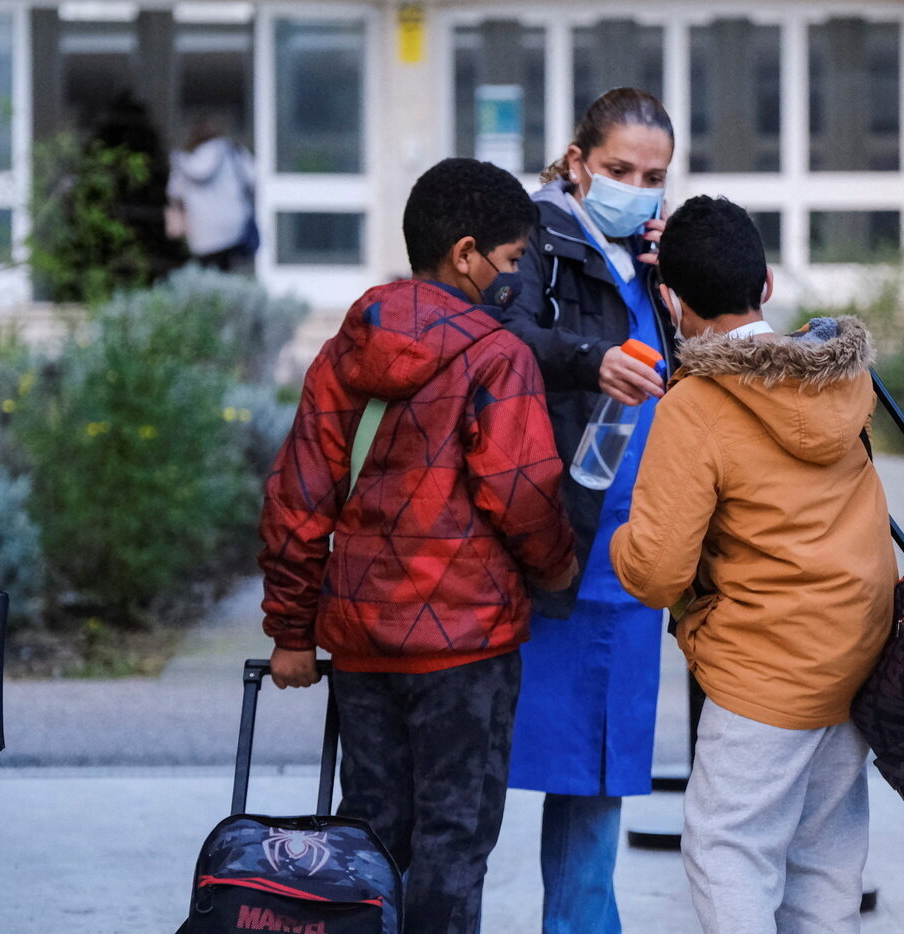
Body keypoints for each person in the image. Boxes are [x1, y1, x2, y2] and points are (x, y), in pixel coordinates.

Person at [258, 157, 579, 934]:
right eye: (510, 260)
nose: (515, 278)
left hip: (362, 646)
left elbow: (298, 500)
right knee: (453, 843)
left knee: (368, 837)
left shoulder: (345, 350)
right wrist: (560, 570)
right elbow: (523, 496)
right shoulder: (498, 356)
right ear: (466, 254)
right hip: (467, 649)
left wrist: (292, 633)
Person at [610, 196, 898, 934]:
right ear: (766, 285)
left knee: (726, 849)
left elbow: (658, 572)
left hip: (766, 669)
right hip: (858, 653)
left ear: (671, 301)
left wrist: (616, 541)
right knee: (825, 867)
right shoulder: (840, 375)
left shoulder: (696, 406)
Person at [493, 87, 677, 934]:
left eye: (653, 177)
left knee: (598, 778)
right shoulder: (533, 239)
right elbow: (499, 342)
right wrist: (589, 357)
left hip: (633, 559)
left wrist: (693, 292)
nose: (636, 190)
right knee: (473, 778)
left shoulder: (652, 259)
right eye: (618, 170)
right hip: (545, 544)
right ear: (576, 163)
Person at [166, 116, 258, 271]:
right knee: (230, 271)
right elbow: (254, 178)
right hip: (234, 225)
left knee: (206, 271)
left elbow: (174, 193)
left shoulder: (184, 162)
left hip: (201, 228)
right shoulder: (233, 153)